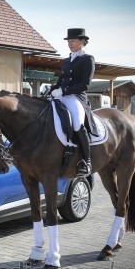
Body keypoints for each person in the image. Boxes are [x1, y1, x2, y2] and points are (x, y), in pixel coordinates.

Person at [45, 28, 98, 176]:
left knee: (77, 124)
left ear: (82, 41)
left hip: (76, 98)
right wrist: (51, 88)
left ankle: (86, 161)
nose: (70, 44)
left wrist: (64, 91)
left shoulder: (88, 59)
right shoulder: (67, 61)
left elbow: (84, 84)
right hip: (61, 96)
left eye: (73, 41)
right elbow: (61, 81)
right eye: (68, 41)